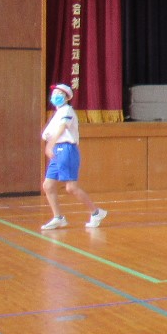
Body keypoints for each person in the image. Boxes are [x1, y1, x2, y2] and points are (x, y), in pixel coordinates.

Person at [39, 83, 107, 231]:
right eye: (54, 93)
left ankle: (96, 212)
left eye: (59, 93)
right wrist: (51, 144)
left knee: (71, 187)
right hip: (58, 149)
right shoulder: (56, 113)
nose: (55, 95)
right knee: (48, 185)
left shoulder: (67, 110)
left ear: (66, 97)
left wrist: (50, 144)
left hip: (66, 149)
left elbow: (63, 128)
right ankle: (58, 217)